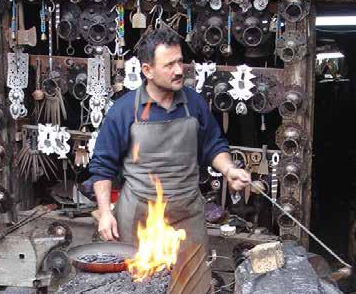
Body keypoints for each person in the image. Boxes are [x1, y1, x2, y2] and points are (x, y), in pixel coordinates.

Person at [89, 29, 251, 248]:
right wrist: (106, 212)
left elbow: (213, 145)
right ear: (148, 70)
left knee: (191, 280)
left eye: (180, 62)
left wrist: (229, 170)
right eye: (169, 65)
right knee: (136, 280)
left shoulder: (194, 104)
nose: (178, 71)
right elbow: (102, 166)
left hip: (187, 215)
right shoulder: (124, 110)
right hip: (139, 217)